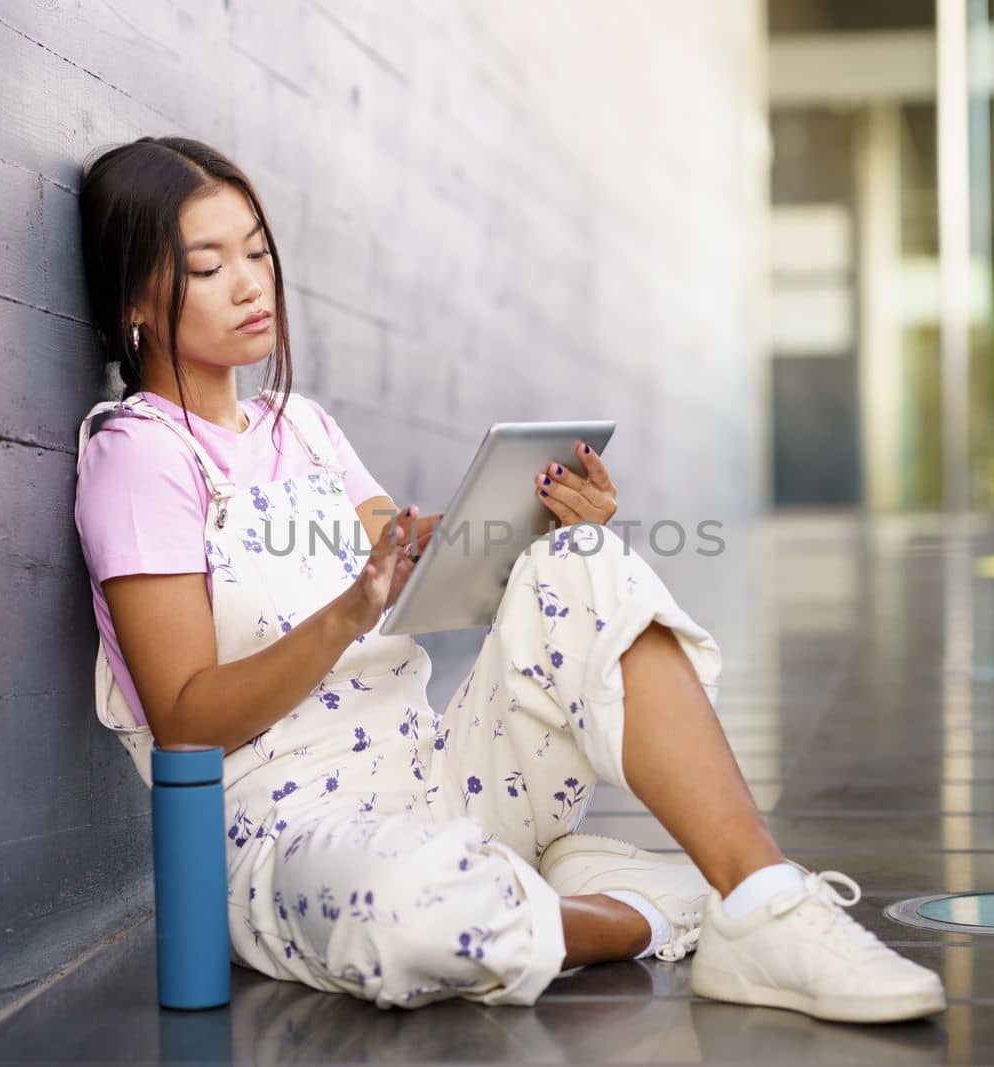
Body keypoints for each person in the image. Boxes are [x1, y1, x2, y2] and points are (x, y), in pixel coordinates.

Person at [72, 135, 946, 1022]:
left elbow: (417, 562)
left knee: (584, 566)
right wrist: (345, 616)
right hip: (292, 836)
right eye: (209, 265)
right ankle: (653, 907)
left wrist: (550, 530)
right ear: (136, 298)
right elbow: (184, 720)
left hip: (436, 774)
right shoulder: (138, 458)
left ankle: (764, 903)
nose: (253, 284)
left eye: (257, 251)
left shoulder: (303, 426)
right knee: (418, 917)